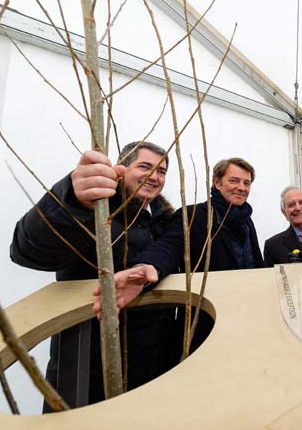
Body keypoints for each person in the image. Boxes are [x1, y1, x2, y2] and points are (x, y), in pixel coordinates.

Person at [10, 141, 179, 410]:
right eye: (145, 167)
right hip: (88, 356)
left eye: (162, 171)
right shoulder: (96, 210)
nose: (155, 177)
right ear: (122, 169)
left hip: (150, 358)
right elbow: (28, 250)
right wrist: (69, 201)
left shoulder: (164, 221)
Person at [102, 157, 263, 311]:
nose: (241, 187)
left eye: (246, 183)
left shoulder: (246, 221)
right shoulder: (193, 215)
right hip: (207, 314)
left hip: (246, 307)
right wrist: (147, 266)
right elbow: (171, 245)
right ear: (217, 183)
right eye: (234, 180)